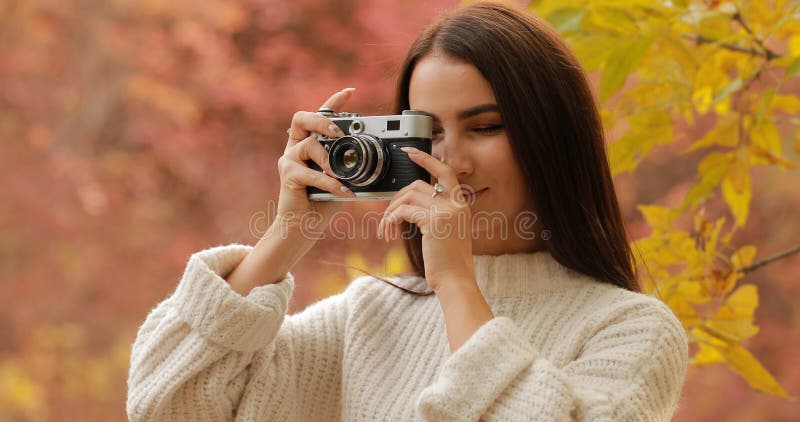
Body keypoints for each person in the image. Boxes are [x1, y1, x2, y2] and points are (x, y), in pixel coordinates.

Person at [126, 1, 688, 420]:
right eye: (428, 132)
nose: (452, 160)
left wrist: (455, 283)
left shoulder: (630, 330)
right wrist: (285, 236)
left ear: (551, 136)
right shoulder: (366, 319)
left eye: (485, 127)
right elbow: (168, 404)